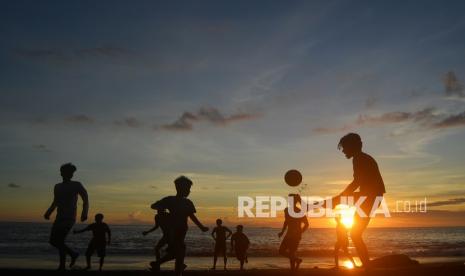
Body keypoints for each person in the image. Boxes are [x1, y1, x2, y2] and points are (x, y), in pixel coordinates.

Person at [324, 133, 386, 268]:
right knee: (355, 234)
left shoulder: (359, 159)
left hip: (371, 196)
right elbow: (359, 182)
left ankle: (368, 266)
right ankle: (367, 265)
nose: (344, 151)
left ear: (353, 146)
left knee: (355, 233)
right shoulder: (362, 158)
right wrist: (341, 197)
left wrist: (341, 196)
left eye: (345, 147)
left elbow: (357, 182)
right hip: (371, 195)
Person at [150, 176, 209, 275]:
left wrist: (201, 227)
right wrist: (163, 210)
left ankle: (162, 265)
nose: (189, 191)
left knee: (179, 255)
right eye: (188, 189)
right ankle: (157, 263)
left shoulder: (179, 201)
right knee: (178, 254)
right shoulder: (175, 200)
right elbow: (154, 206)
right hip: (174, 232)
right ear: (180, 188)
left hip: (181, 232)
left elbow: (191, 216)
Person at [44, 163, 89, 271]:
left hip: (69, 218)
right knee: (55, 241)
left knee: (58, 241)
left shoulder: (77, 185)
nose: (70, 174)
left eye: (71, 173)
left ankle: (68, 259)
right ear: (62, 173)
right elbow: (55, 201)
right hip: (59, 217)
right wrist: (49, 212)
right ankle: (67, 260)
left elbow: (85, 199)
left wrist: (84, 213)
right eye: (67, 172)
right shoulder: (57, 186)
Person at [278, 194, 309, 270]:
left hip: (296, 236)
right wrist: (282, 232)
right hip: (288, 235)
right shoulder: (286, 210)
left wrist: (300, 232)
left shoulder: (299, 212)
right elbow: (286, 222)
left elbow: (307, 224)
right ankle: (297, 260)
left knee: (292, 252)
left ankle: (293, 269)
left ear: (294, 201)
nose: (289, 201)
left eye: (290, 200)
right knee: (281, 251)